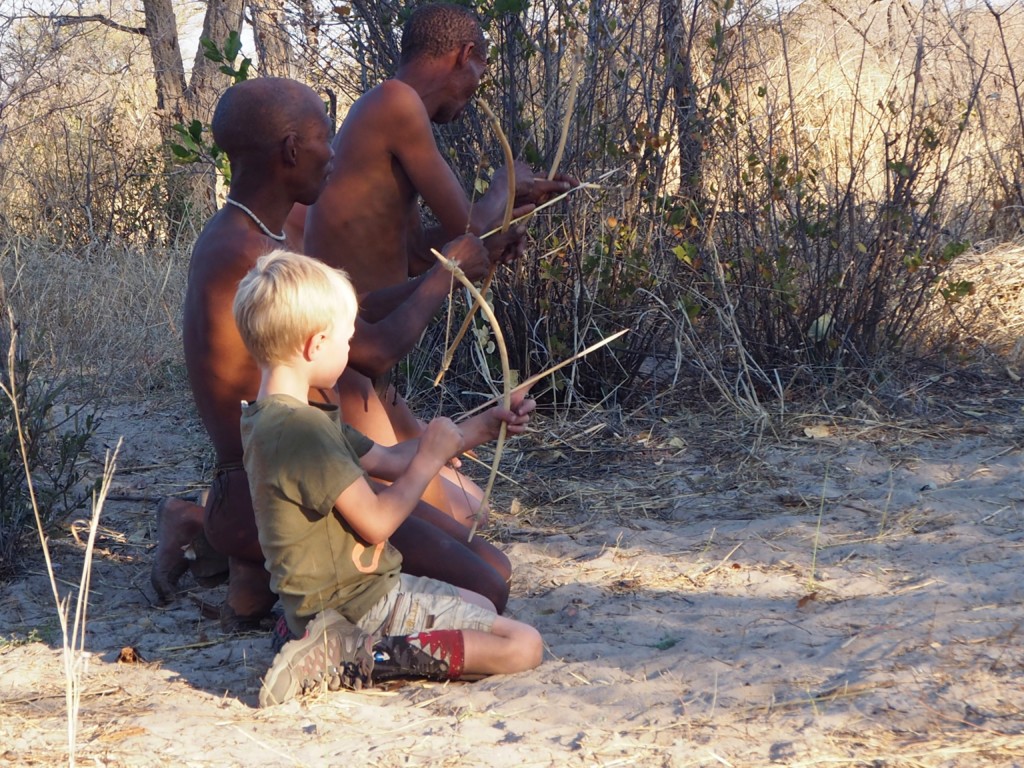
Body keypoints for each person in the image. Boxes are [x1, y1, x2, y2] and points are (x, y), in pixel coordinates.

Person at [152, 77, 516, 630]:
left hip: (309, 476)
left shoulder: (262, 235)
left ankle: (237, 563)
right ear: (292, 150)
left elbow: (353, 310)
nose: (335, 153)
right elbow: (369, 352)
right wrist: (446, 277)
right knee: (489, 586)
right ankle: (254, 567)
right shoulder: (243, 250)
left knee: (491, 563)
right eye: (326, 136)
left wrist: (456, 265)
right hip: (271, 494)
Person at [304, 2, 576, 529]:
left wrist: (494, 236)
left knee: (474, 509)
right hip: (347, 368)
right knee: (447, 527)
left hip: (372, 369)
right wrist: (504, 187)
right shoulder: (395, 102)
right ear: (464, 55)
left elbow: (415, 254)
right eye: (480, 72)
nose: (475, 92)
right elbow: (468, 223)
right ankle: (205, 521)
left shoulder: (391, 108)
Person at [233, 249, 542, 707]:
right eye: (346, 339)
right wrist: (429, 458)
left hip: (336, 601)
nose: (348, 350)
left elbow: (390, 460)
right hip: (363, 604)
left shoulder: (276, 419)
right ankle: (357, 657)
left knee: (480, 607)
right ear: (314, 345)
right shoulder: (303, 430)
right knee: (524, 644)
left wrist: (481, 426)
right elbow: (377, 521)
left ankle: (310, 636)